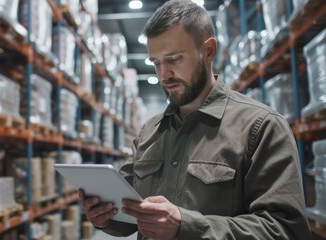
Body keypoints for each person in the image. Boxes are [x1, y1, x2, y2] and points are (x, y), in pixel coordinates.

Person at [79, 0, 311, 239]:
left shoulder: (261, 126)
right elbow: (130, 214)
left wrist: (186, 226)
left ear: (209, 51)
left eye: (174, 59)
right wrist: (106, 217)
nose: (163, 74)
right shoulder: (149, 132)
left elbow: (286, 229)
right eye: (156, 62)